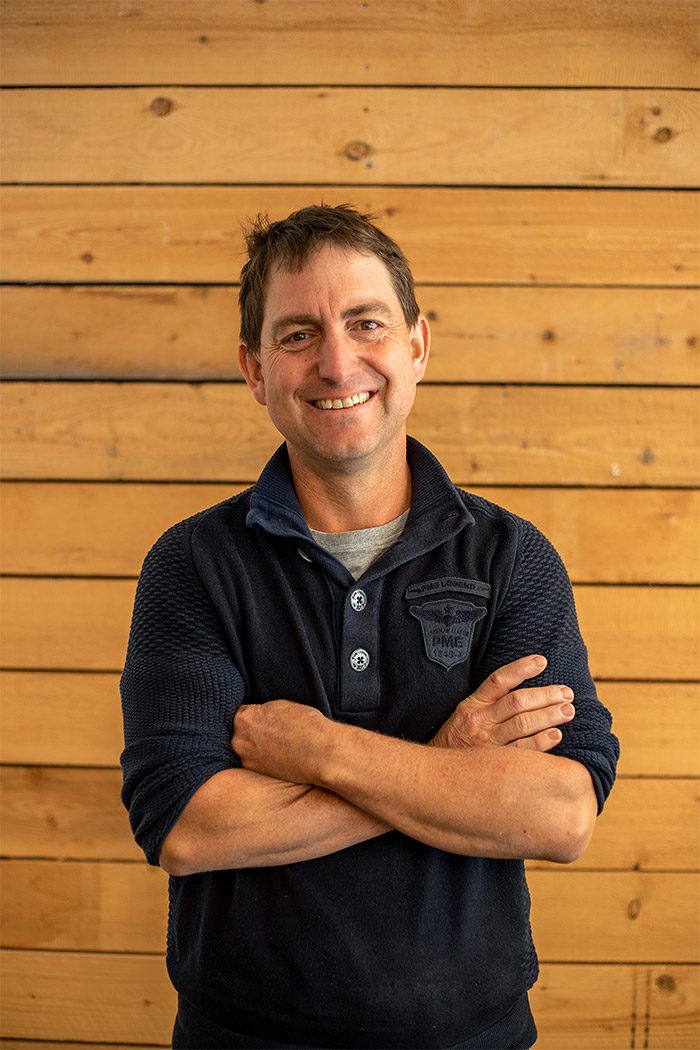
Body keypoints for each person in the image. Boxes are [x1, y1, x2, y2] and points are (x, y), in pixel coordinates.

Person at [120, 204, 619, 1050]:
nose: (337, 362)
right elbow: (187, 827)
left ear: (417, 346)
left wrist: (321, 750)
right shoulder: (193, 564)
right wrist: (452, 761)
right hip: (243, 1037)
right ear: (255, 370)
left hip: (475, 1035)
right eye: (298, 335)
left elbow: (560, 814)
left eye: (366, 323)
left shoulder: (512, 559)